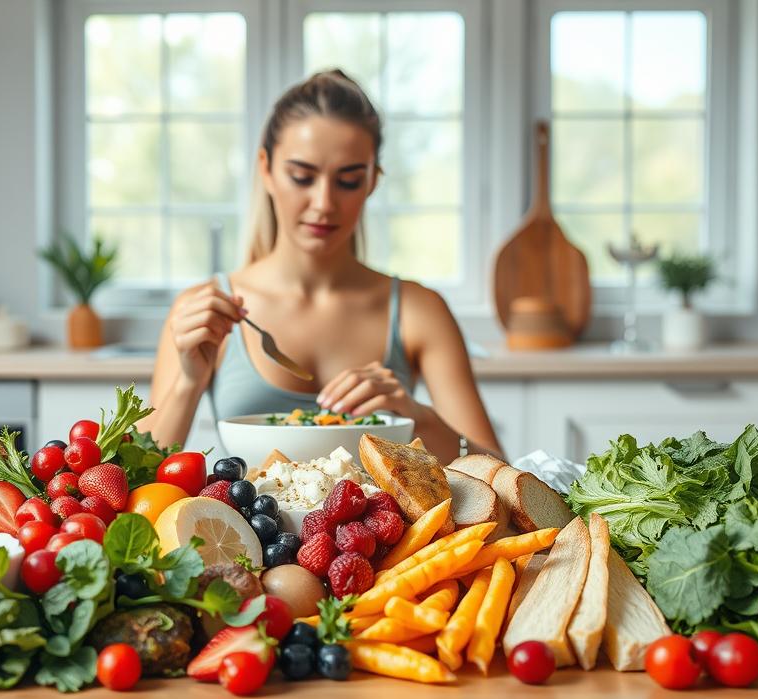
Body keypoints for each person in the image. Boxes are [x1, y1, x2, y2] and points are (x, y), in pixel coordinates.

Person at [139, 70, 502, 464]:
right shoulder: (203, 311)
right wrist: (188, 383)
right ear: (266, 168)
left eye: (348, 181)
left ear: (372, 181)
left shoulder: (418, 309)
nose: (324, 203)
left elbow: (499, 469)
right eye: (302, 177)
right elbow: (139, 477)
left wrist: (421, 419)